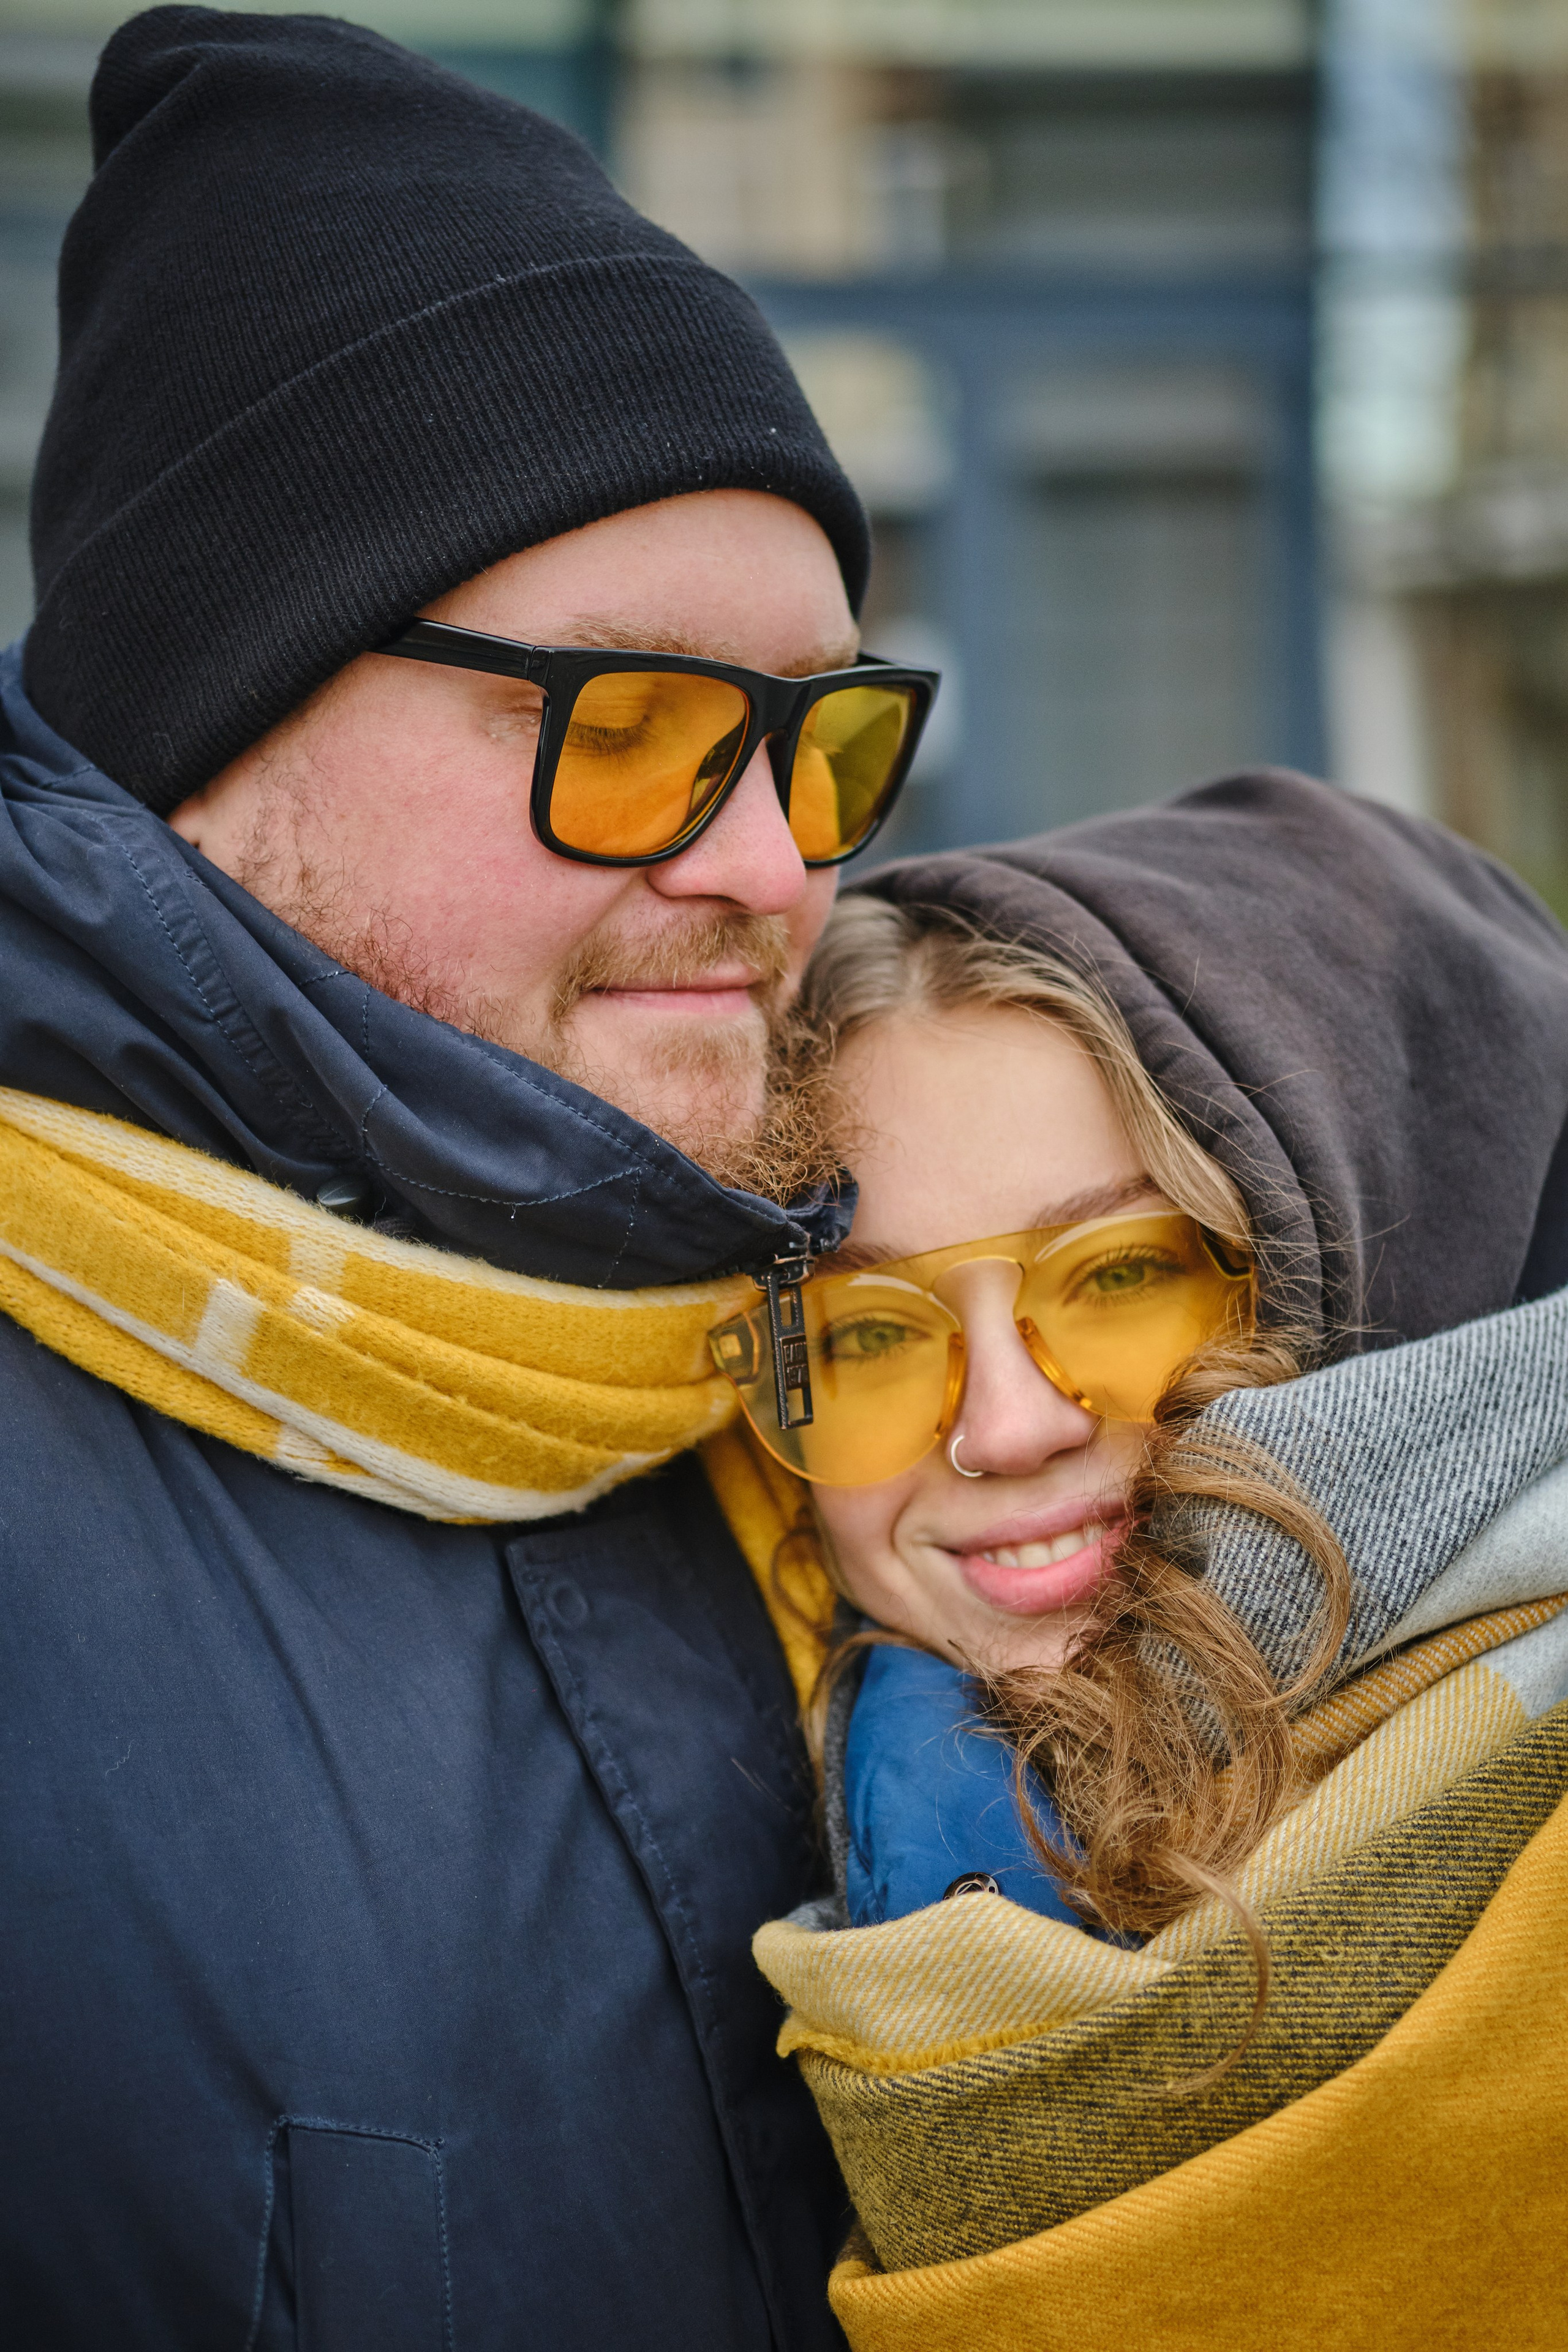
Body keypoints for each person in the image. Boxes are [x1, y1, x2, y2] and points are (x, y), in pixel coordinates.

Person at [0, 11, 937, 2347]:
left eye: (821, 742)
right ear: (220, 732)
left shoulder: (890, 1342)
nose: (768, 869)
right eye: (621, 730)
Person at [707, 774, 1568, 2348]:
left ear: (1361, 1257)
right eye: (874, 1334)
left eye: (1116, 1278)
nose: (1009, 1427)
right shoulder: (802, 1817)